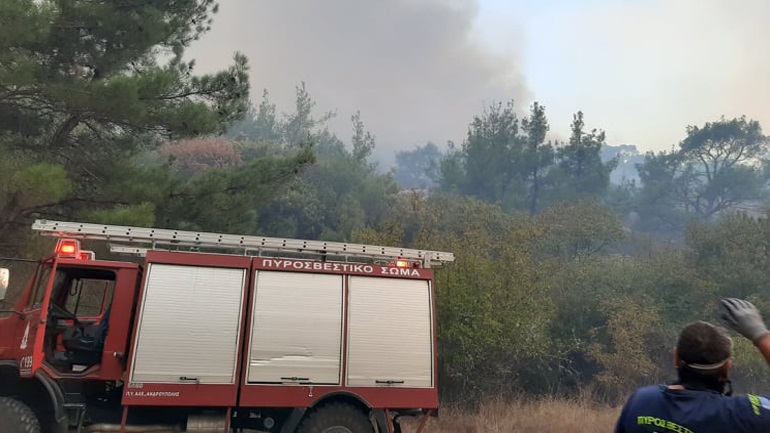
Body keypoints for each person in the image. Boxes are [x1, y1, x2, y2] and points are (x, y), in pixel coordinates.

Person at [613, 298, 770, 433]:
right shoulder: (742, 415)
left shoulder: (642, 402)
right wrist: (760, 334)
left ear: (676, 357)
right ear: (727, 368)